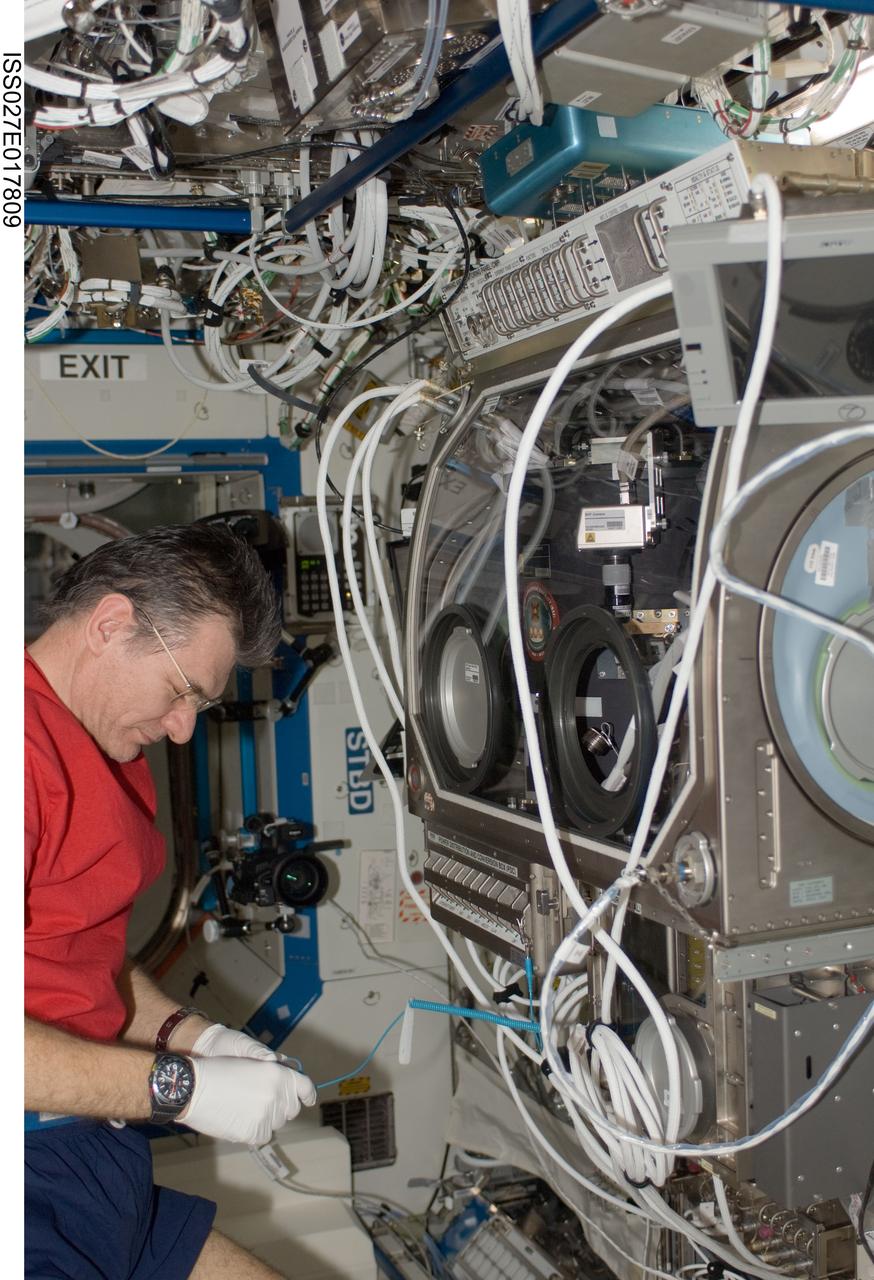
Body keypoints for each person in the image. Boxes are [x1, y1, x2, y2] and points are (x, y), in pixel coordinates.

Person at [25, 523, 317, 1280]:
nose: (183, 729)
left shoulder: (99, 753)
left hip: (88, 1159)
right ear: (111, 624)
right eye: (182, 690)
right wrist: (179, 1089)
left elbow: (76, 961)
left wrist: (193, 1037)